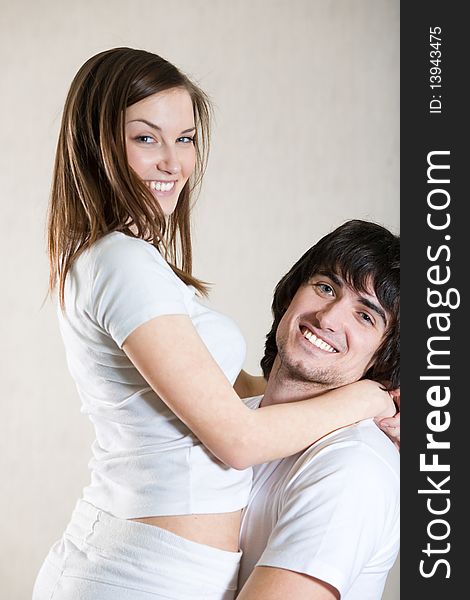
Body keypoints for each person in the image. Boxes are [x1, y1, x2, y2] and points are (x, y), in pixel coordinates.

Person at [33, 47, 397, 600]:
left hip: (147, 563)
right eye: (146, 137)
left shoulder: (122, 260)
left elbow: (222, 392)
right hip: (142, 575)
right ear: (98, 142)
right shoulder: (121, 261)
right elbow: (236, 438)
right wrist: (373, 399)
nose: (173, 162)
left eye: (185, 139)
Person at [236, 219, 400, 599]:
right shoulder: (233, 417)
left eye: (365, 316)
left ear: (384, 356)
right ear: (292, 292)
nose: (327, 318)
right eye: (325, 287)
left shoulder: (353, 465)